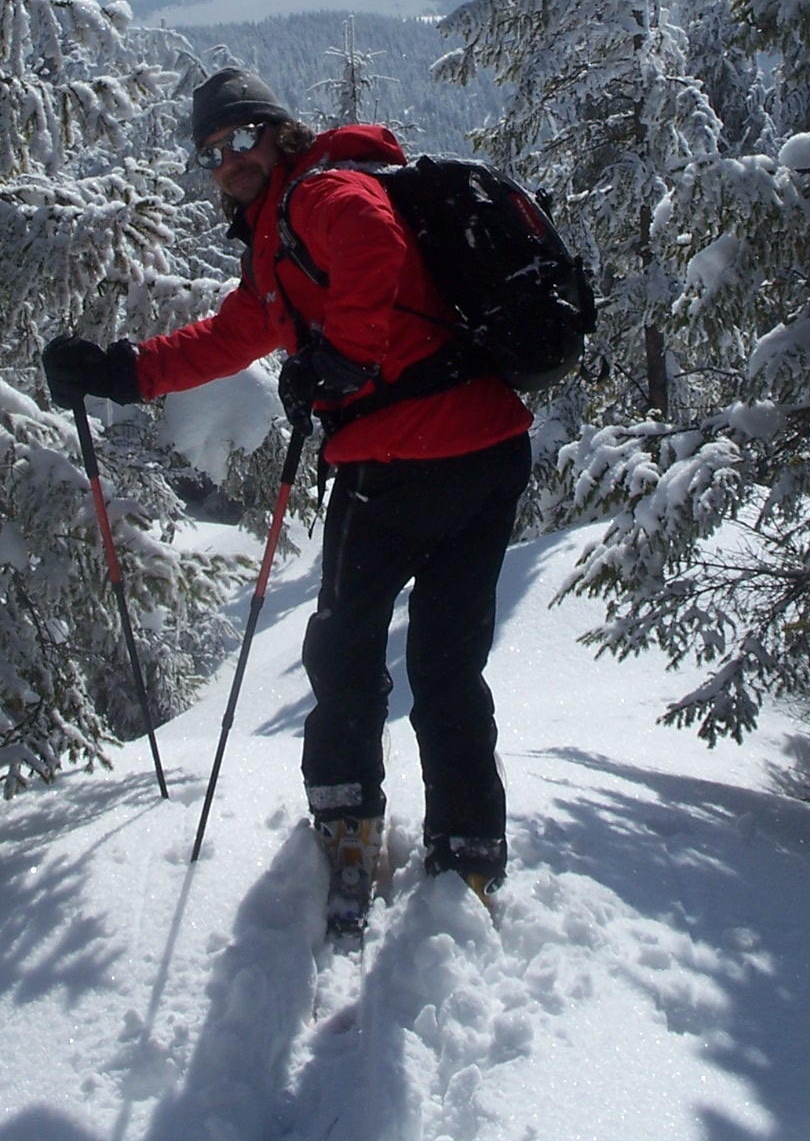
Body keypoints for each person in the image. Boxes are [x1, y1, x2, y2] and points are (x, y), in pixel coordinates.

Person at [42, 68, 532, 918]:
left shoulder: (322, 193)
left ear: (280, 132)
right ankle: (469, 850)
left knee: (346, 653)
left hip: (400, 462)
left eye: (240, 138)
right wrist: (120, 373)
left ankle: (348, 819)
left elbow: (371, 240)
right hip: (485, 451)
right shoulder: (283, 241)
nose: (228, 160)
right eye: (211, 152)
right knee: (447, 662)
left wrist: (343, 354)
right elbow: (229, 336)